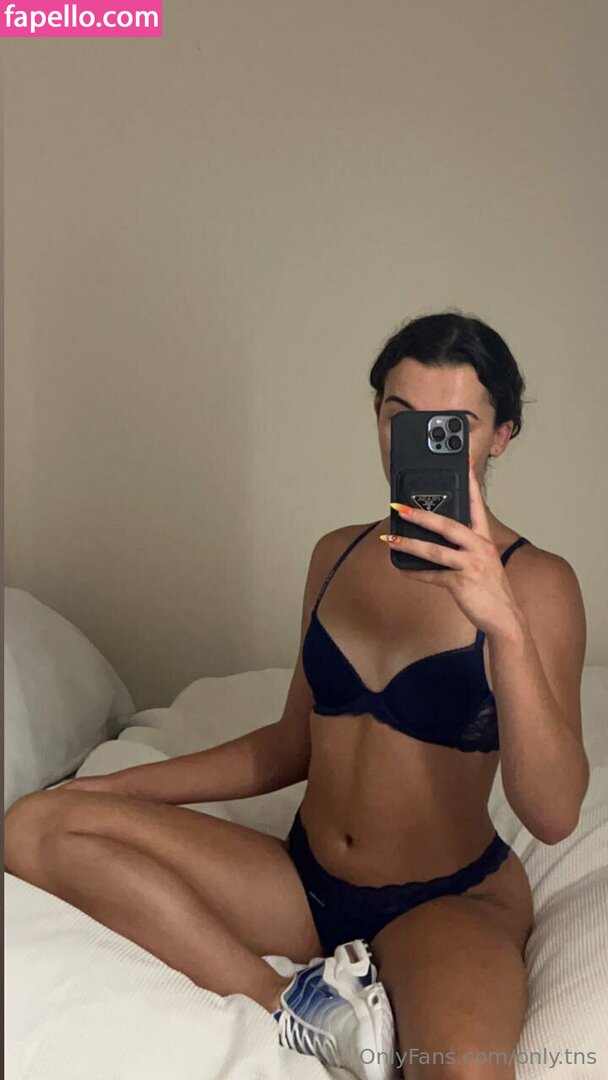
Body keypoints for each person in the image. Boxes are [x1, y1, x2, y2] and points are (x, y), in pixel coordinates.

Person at [4, 311, 589, 1080]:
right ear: (376, 416)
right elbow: (290, 743)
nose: (419, 444)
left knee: (463, 1073)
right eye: (400, 417)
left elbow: (553, 813)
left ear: (501, 435)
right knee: (35, 825)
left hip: (446, 902)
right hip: (304, 882)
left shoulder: (538, 584)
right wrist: (119, 789)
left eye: (452, 428)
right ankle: (294, 1002)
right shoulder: (336, 554)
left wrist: (502, 623)